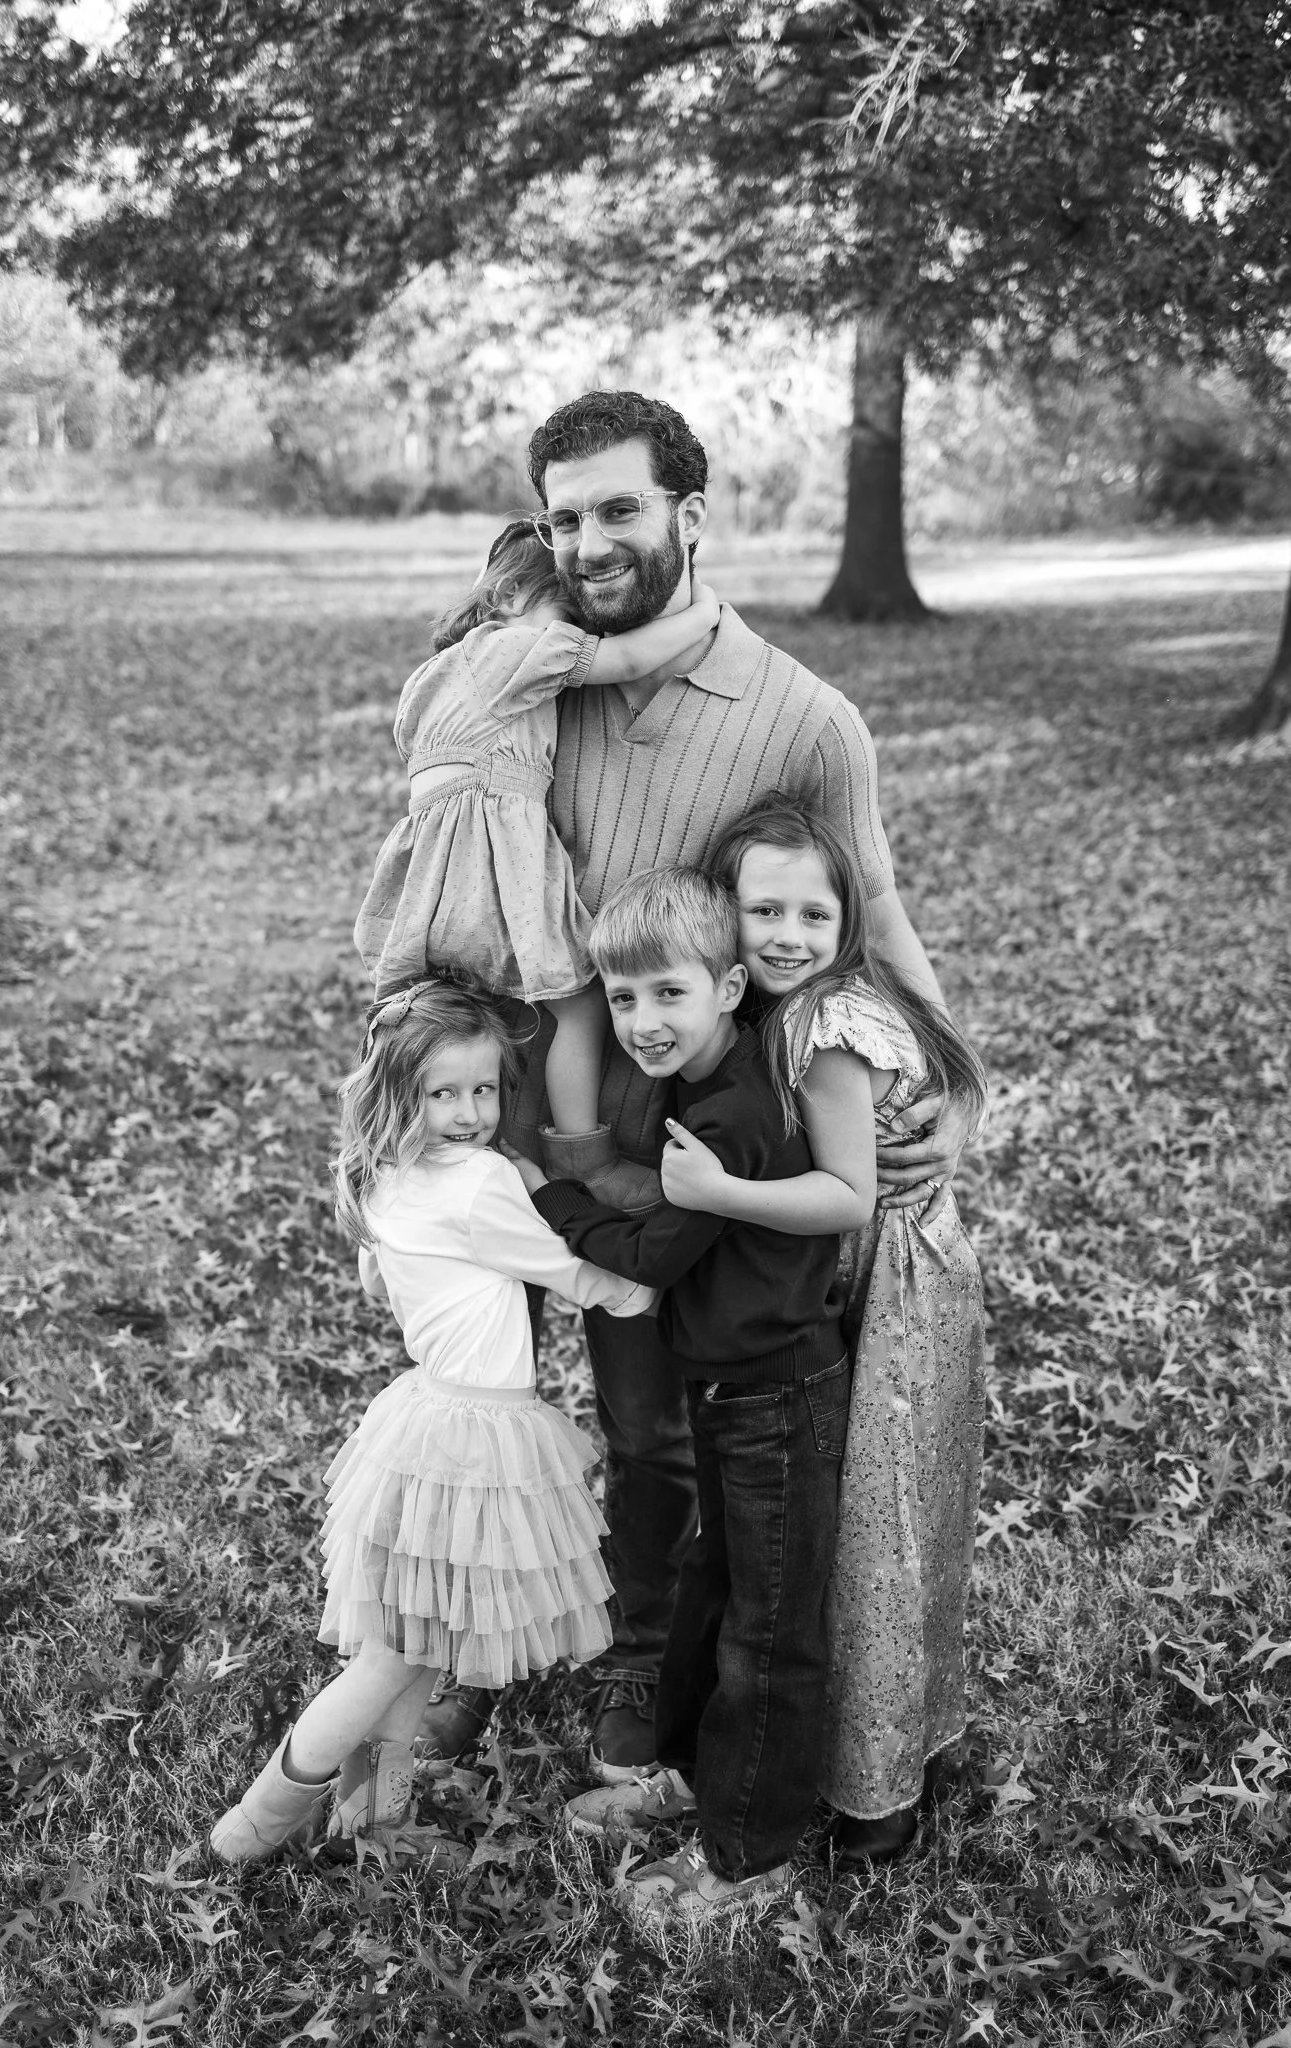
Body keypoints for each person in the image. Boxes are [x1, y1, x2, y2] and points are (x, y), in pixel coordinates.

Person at [399, 391, 973, 1772]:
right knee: (469, 1394)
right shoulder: (529, 671)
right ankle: (476, 1640)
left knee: (650, 1423)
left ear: (690, 514)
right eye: (564, 517)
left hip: (662, 1143)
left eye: (619, 509)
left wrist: (959, 1078)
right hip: (486, 1110)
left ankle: (645, 1648)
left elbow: (874, 909)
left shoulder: (805, 719)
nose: (589, 543)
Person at [209, 975, 656, 1864]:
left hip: (420, 1426)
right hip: (474, 1440)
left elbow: (383, 1278)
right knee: (386, 1660)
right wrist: (651, 1283)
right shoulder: (484, 1180)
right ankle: (246, 1834)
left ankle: (377, 1823)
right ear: (397, 1092)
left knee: (415, 1648)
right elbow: (574, 1275)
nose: (469, 1112)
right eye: (442, 1093)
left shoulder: (383, 1177)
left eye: (484, 1090)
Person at [509, 866, 873, 1919]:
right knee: (711, 1591)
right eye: (623, 999)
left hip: (779, 1397)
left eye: (668, 993)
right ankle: (691, 1770)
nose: (642, 1022)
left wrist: (553, 1195)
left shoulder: (734, 1114)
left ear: (728, 988)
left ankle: (748, 1855)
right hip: (727, 1387)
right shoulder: (706, 1079)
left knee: (768, 1631)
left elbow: (652, 1254)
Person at [660, 792, 989, 1864]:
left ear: (848, 919)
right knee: (874, 1524)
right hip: (907, 1268)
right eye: (765, 911)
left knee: (875, 1531)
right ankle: (878, 1756)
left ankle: (876, 1797)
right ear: (728, 912)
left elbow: (847, 1198)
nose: (788, 935)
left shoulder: (823, 1026)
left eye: (814, 913)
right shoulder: (806, 1008)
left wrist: (716, 1192)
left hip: (891, 1281)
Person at [354, 516, 721, 1212]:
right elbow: (624, 662)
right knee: (579, 1008)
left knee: (440, 1027)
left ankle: (393, 1154)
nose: (580, 636)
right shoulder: (509, 651)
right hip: (494, 875)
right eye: (568, 616)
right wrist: (705, 612)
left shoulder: (434, 676)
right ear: (510, 597)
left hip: (430, 887)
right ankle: (587, 1160)